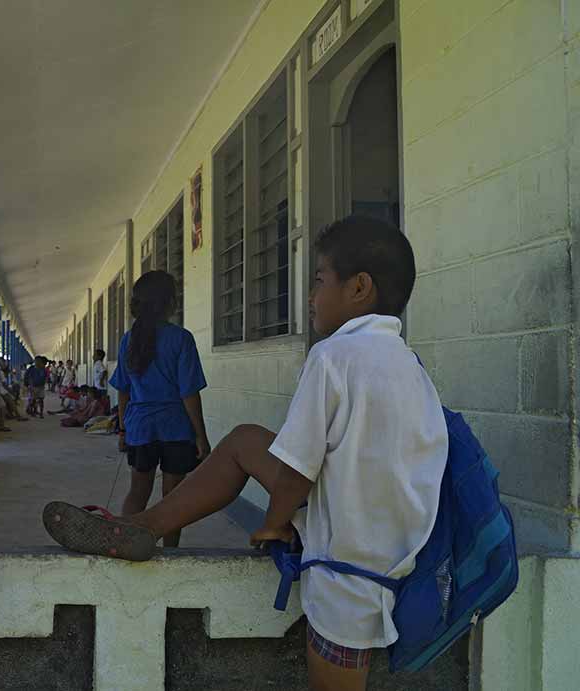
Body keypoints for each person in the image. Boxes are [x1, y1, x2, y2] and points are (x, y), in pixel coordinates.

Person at [44, 216, 448, 691]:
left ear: (359, 288)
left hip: (348, 570)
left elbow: (299, 468)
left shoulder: (333, 357)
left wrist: (275, 521)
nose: (311, 297)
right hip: (390, 544)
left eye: (319, 281)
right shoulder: (411, 365)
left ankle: (142, 526)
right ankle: (141, 528)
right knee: (246, 440)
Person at [110, 271, 209, 547]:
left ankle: (126, 544)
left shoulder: (129, 339)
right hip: (175, 428)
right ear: (170, 302)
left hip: (140, 427)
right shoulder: (181, 338)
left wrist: (122, 427)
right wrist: (201, 435)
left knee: (137, 493)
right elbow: (189, 393)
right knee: (172, 499)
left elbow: (123, 389)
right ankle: (171, 554)